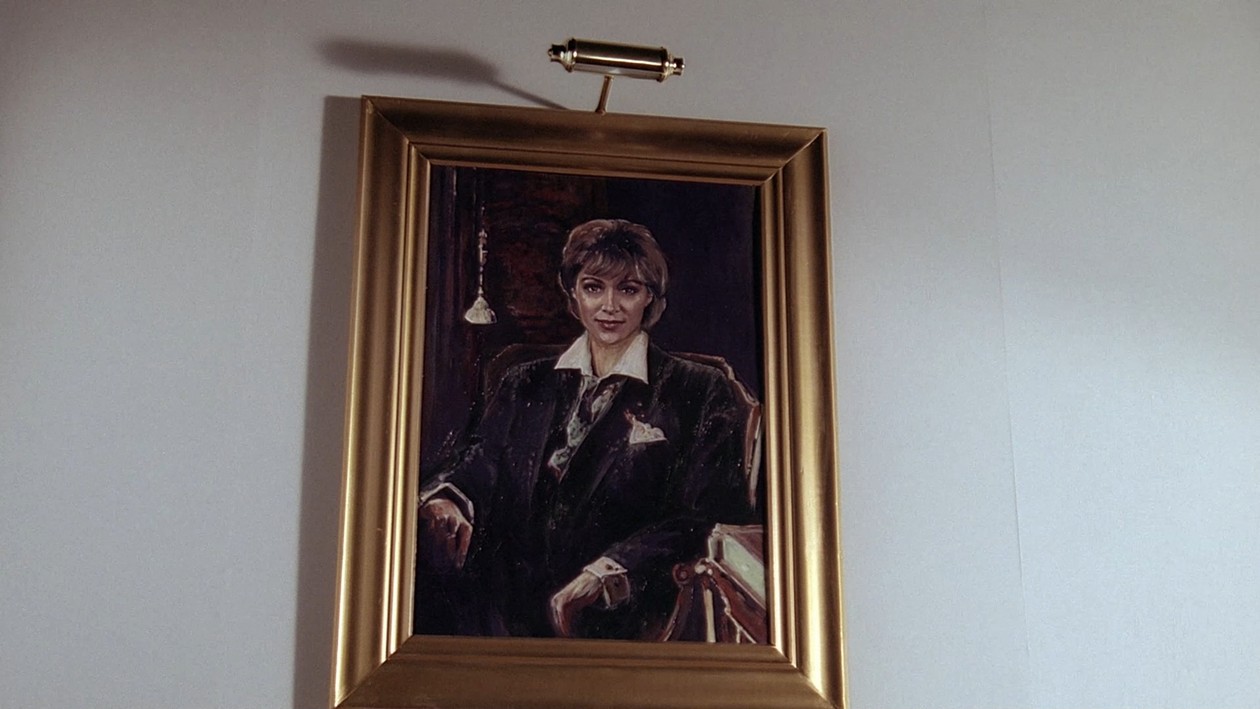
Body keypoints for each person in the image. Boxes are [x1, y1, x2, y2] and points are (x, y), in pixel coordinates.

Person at [416, 218, 755, 640]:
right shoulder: (524, 380)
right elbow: (481, 461)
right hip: (500, 601)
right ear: (573, 294)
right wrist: (447, 499)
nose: (609, 306)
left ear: (650, 298)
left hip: (613, 610)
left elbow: (706, 513)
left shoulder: (698, 388)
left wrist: (609, 572)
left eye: (628, 290)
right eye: (594, 287)